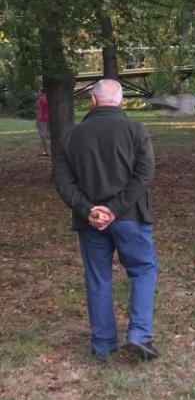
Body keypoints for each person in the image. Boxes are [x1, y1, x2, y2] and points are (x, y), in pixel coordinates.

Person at [53, 79, 159, 362]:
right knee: (143, 270)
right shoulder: (136, 130)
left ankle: (103, 344)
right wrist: (114, 209)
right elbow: (144, 175)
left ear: (92, 101)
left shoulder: (70, 136)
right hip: (130, 217)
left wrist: (89, 210)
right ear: (121, 101)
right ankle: (139, 335)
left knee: (98, 278)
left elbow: (63, 182)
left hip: (89, 221)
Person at [36, 89, 49, 156]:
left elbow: (39, 110)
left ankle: (45, 151)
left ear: (41, 91)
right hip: (50, 118)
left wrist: (37, 120)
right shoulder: (50, 98)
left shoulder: (41, 99)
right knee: (49, 135)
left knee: (42, 136)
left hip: (42, 118)